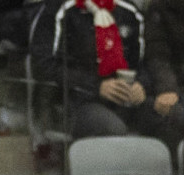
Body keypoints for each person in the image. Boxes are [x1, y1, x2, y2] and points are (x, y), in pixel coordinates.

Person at [27, 0, 160, 139]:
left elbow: (149, 61)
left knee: (171, 116)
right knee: (113, 129)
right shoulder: (59, 10)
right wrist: (97, 86)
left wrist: (141, 84)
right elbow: (42, 66)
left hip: (126, 99)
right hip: (79, 101)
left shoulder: (130, 11)